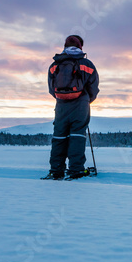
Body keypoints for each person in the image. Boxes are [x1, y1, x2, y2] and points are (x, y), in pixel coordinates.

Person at [42, 35, 99, 180]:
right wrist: (86, 100)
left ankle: (56, 170)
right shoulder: (87, 64)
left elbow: (51, 89)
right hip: (81, 105)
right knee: (77, 136)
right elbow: (94, 87)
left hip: (61, 106)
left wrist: (62, 99)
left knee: (59, 136)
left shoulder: (55, 65)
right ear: (81, 47)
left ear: (65, 46)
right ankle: (76, 170)